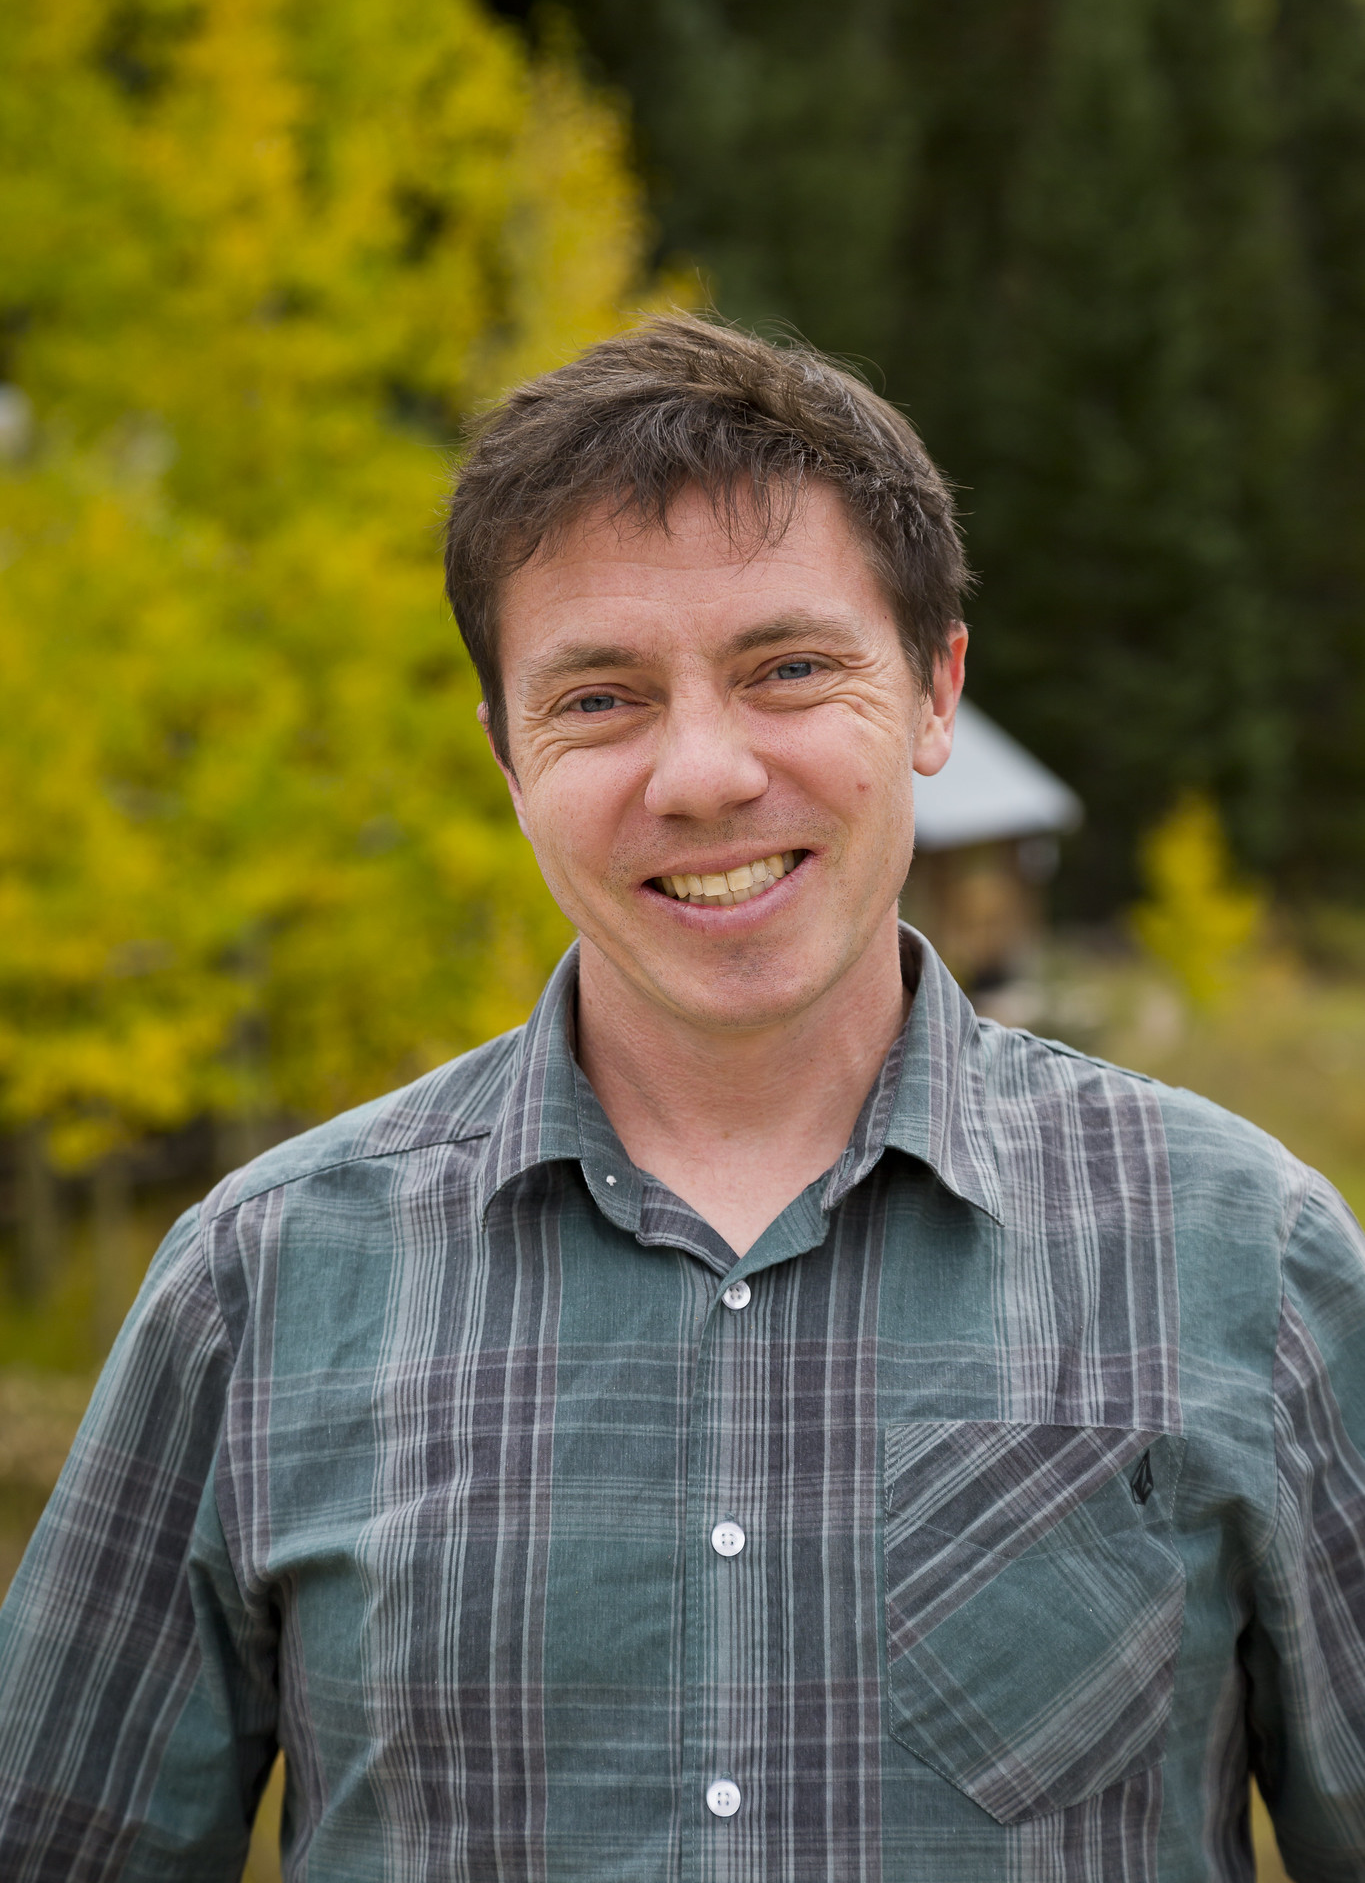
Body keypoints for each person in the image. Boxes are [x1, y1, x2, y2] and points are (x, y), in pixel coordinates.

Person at [1, 315, 1363, 1883]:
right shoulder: (260, 1279)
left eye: (788, 668)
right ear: (505, 759)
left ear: (934, 694)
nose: (702, 775)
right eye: (598, 697)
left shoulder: (1242, 1254)